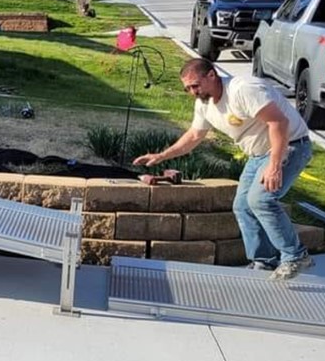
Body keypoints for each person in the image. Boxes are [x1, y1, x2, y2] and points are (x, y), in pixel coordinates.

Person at [133, 58, 313, 280]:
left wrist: (275, 166)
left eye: (195, 85)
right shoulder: (204, 104)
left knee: (261, 200)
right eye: (187, 88)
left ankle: (295, 256)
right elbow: (194, 136)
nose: (192, 92)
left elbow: (279, 123)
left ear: (212, 75)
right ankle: (264, 261)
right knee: (242, 206)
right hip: (258, 154)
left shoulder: (242, 90)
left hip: (290, 146)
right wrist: (161, 156)